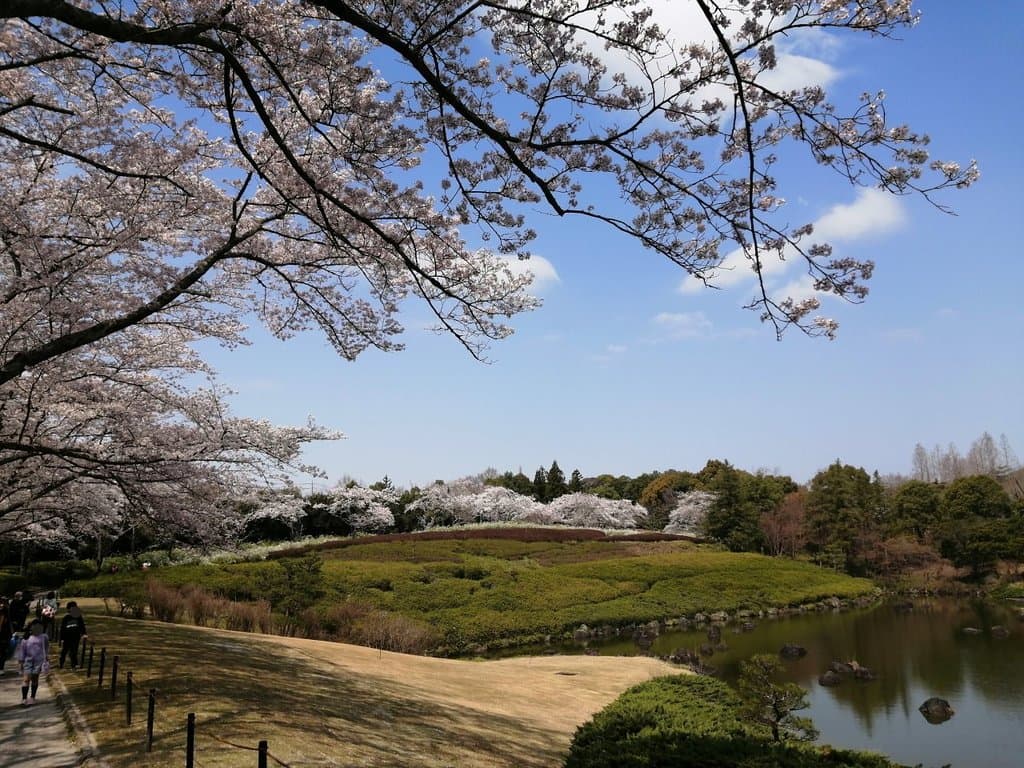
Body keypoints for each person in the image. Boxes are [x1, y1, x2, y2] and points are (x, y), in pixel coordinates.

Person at [15, 619, 49, 706]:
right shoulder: (26, 639)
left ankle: (32, 697)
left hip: (39, 661)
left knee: (34, 679)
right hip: (28, 661)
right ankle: (24, 698)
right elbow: (22, 651)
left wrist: (46, 658)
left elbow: (46, 648)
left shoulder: (44, 637)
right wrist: (20, 663)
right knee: (26, 679)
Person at [58, 601, 88, 670]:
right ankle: (61, 663)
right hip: (67, 637)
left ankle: (74, 664)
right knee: (64, 651)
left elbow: (82, 626)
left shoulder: (78, 617)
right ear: (68, 609)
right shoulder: (66, 618)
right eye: (71, 608)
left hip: (76, 637)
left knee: (74, 650)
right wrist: (62, 639)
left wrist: (84, 634)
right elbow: (62, 629)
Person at [0, 597, 12, 675]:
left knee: (2, 651)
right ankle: (1, 668)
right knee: (2, 651)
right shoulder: (4, 610)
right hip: (3, 634)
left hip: (4, 634)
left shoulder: (4, 610)